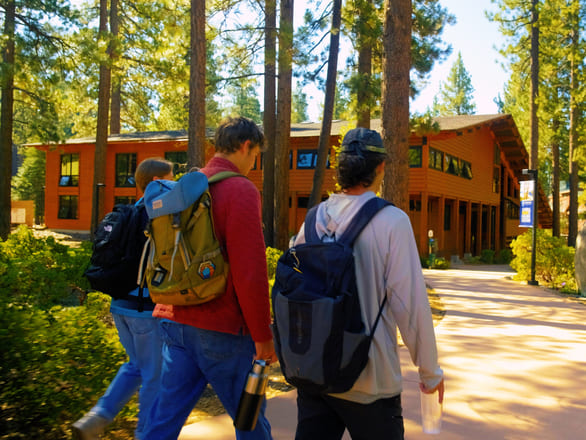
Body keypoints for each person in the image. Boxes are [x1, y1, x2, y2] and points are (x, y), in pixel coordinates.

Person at [291, 127, 444, 440]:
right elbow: (410, 305)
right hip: (371, 380)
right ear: (380, 168)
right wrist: (430, 373)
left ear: (341, 169)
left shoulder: (312, 220)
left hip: (316, 372)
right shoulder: (392, 221)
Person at [143, 116, 277, 440]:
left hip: (174, 319)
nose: (253, 164)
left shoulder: (186, 187)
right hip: (221, 327)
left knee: (163, 422)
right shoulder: (240, 189)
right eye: (255, 155)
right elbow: (250, 271)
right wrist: (263, 336)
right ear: (246, 147)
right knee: (250, 421)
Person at [73, 157, 174, 440]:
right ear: (157, 184)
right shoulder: (158, 218)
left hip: (120, 305)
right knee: (155, 374)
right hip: (144, 311)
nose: (175, 186)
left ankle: (100, 414)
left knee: (135, 365)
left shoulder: (128, 213)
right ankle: (146, 433)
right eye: (170, 180)